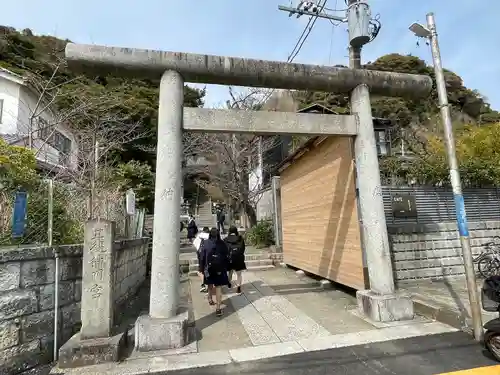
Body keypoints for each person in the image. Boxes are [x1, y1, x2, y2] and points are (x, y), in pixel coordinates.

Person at [199, 227, 229, 316]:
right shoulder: (222, 244)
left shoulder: (206, 243)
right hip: (219, 269)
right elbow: (226, 256)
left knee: (210, 285)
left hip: (209, 268)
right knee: (219, 287)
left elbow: (202, 257)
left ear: (210, 234)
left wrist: (201, 267)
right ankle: (218, 308)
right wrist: (225, 267)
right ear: (218, 234)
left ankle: (210, 298)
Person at [225, 226, 246, 294]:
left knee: (230, 272)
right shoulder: (240, 238)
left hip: (229, 259)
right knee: (239, 274)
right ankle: (239, 288)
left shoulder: (226, 239)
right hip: (238, 258)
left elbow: (224, 250)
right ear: (236, 231)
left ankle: (229, 283)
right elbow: (243, 249)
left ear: (229, 231)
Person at [193, 227, 210, 292]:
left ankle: (203, 285)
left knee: (201, 271)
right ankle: (208, 285)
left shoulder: (199, 236)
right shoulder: (211, 236)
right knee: (208, 271)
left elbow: (195, 244)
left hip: (201, 256)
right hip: (210, 256)